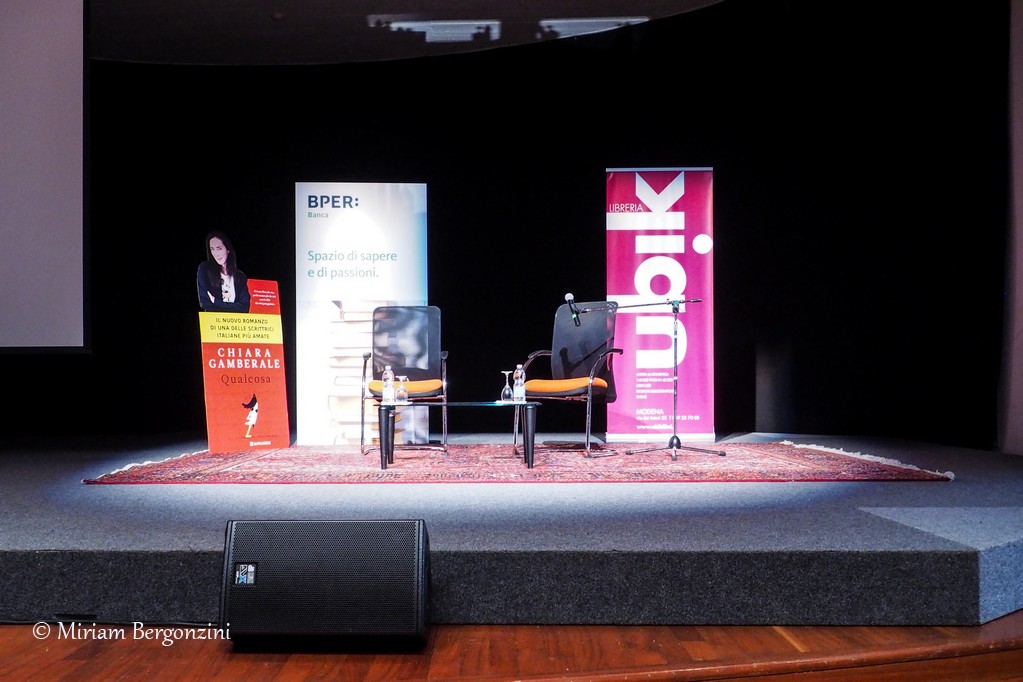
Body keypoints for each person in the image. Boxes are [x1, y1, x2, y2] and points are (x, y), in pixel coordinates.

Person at [197, 231, 251, 313]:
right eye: (212, 249)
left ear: (228, 249)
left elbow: (245, 307)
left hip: (235, 320)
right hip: (213, 320)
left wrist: (216, 302)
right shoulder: (205, 269)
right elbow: (205, 303)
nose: (216, 254)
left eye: (219, 248)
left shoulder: (240, 276)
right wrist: (235, 307)